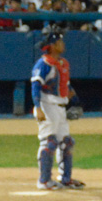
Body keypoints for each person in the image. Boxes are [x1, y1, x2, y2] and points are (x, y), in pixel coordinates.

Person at [31, 29, 84, 190]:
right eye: (60, 41)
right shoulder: (44, 64)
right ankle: (44, 180)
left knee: (66, 142)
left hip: (60, 106)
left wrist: (75, 101)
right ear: (52, 46)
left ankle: (65, 178)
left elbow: (65, 85)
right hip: (47, 106)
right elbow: (35, 86)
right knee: (49, 142)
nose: (63, 44)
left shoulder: (62, 63)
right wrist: (38, 108)